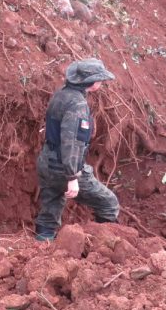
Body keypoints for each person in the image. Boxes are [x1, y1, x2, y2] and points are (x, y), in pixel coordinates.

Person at [34, 58, 120, 241]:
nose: (102, 83)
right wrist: (72, 177)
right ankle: (103, 247)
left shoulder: (61, 94)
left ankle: (41, 246)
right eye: (100, 79)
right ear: (92, 83)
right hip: (62, 168)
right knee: (109, 204)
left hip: (46, 162)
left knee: (50, 210)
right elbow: (71, 142)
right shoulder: (78, 106)